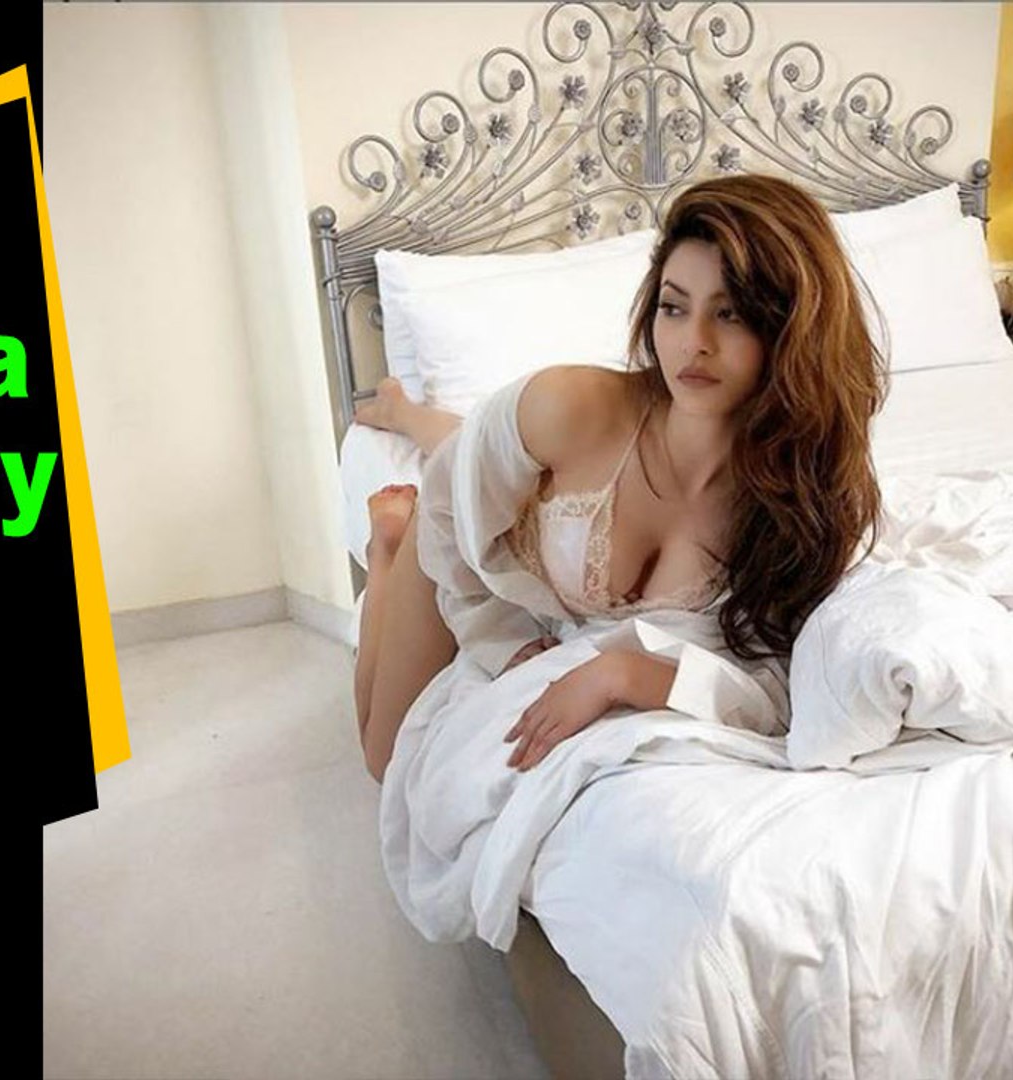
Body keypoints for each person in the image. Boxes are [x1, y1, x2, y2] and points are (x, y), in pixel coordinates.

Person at [351, 175, 886, 782]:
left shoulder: (803, 496)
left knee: (474, 444)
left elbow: (780, 685)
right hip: (467, 548)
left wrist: (624, 673)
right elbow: (452, 494)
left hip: (540, 554)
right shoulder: (570, 404)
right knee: (383, 758)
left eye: (730, 314)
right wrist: (499, 640)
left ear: (793, 326)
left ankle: (408, 418)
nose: (693, 344)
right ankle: (388, 541)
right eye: (673, 307)